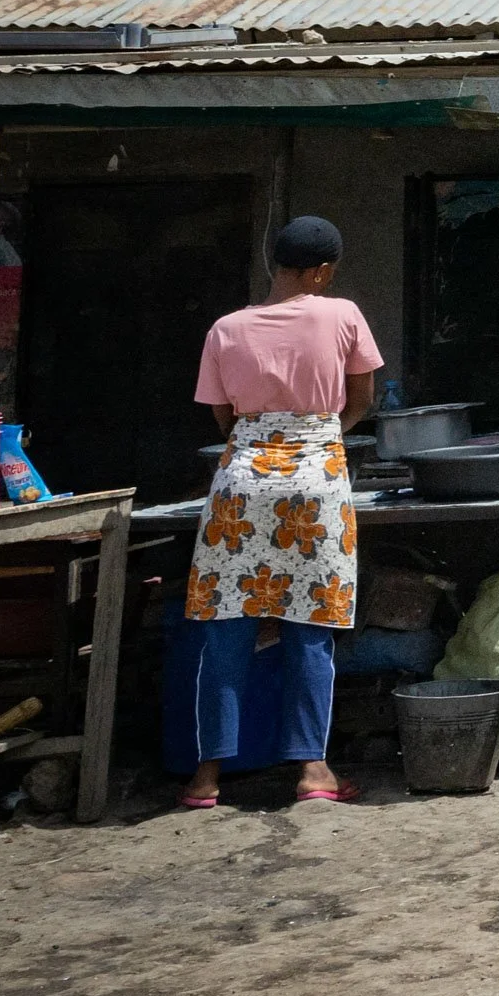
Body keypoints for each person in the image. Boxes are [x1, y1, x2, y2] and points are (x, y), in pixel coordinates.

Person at [180, 215, 383, 809]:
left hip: (241, 483)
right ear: (321, 271)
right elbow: (363, 399)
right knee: (309, 627)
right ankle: (312, 770)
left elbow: (223, 419)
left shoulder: (226, 328)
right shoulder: (342, 314)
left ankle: (205, 778)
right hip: (316, 481)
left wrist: (260, 440)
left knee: (225, 627)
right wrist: (324, 436)